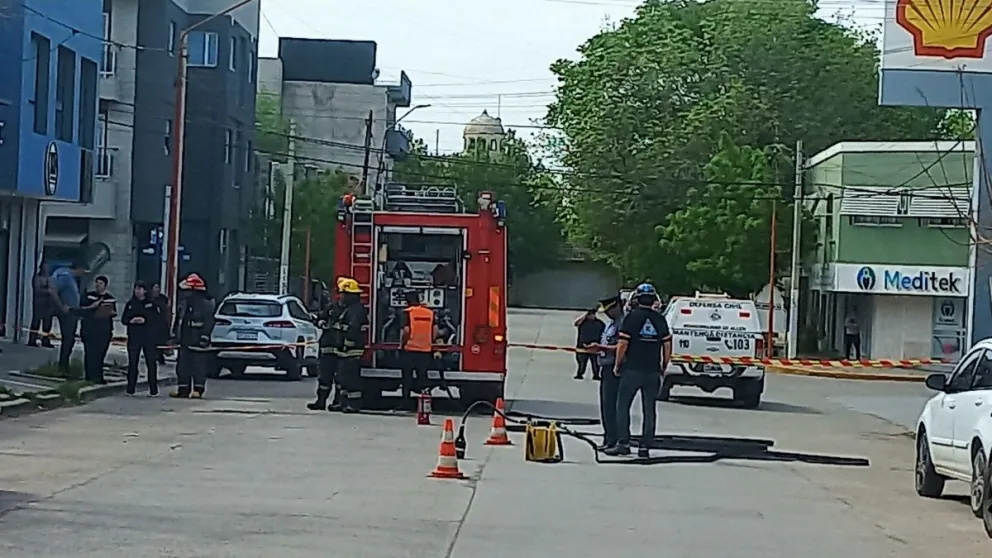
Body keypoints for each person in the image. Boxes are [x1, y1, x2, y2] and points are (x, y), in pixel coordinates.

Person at [605, 283, 672, 458]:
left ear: (637, 298)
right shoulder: (659, 319)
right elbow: (667, 344)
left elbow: (623, 344)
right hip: (652, 371)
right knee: (649, 409)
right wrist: (664, 366)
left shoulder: (631, 318)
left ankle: (623, 443)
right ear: (654, 299)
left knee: (623, 407)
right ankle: (645, 447)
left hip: (632, 370)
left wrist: (617, 364)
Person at [169, 273, 216, 399]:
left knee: (198, 367)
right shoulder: (184, 304)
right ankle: (183, 390)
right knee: (182, 367)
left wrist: (204, 337)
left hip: (197, 341)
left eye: (187, 290)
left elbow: (209, 322)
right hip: (184, 340)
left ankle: (198, 389)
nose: (185, 293)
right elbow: (179, 320)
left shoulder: (206, 305)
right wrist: (174, 336)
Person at [588, 294, 624, 451]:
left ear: (617, 306)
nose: (607, 313)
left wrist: (601, 348)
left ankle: (615, 439)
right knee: (605, 406)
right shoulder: (610, 324)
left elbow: (622, 347)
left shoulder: (622, 323)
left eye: (610, 310)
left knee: (612, 406)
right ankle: (608, 438)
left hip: (615, 369)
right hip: (605, 366)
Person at [307, 277, 348, 412]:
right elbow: (320, 318)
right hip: (327, 348)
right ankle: (321, 401)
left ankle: (338, 402)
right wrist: (321, 323)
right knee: (324, 378)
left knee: (340, 379)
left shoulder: (351, 310)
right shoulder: (332, 307)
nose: (341, 296)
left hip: (342, 350)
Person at [399, 289, 440, 410]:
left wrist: (402, 344)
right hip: (425, 350)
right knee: (423, 377)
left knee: (407, 378)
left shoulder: (407, 313)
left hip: (410, 349)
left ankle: (405, 403)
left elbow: (406, 331)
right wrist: (429, 342)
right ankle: (426, 404)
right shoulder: (429, 313)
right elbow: (436, 331)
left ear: (407, 301)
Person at [333, 278, 369, 413]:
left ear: (350, 295)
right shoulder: (350, 309)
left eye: (342, 293)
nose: (340, 296)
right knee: (342, 378)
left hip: (352, 351)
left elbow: (354, 329)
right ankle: (343, 403)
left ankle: (354, 404)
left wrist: (347, 343)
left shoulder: (356, 310)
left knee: (351, 379)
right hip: (345, 351)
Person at [122, 281, 162, 396]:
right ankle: (130, 388)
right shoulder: (130, 304)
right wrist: (131, 320)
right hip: (134, 336)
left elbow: (157, 320)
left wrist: (145, 320)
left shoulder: (151, 304)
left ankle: (153, 389)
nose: (138, 291)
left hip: (148, 337)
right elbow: (124, 319)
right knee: (132, 362)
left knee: (151, 362)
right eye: (136, 289)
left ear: (145, 291)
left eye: (140, 289)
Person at [80, 276, 118, 384]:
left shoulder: (110, 298)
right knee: (89, 353)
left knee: (100, 354)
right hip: (89, 329)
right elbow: (82, 309)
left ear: (105, 285)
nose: (98, 285)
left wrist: (110, 312)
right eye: (97, 283)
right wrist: (93, 306)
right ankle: (89, 376)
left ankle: (98, 376)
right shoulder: (89, 296)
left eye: (100, 283)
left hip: (104, 330)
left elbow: (114, 312)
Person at [51, 260, 87, 372]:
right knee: (68, 339)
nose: (83, 273)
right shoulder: (66, 276)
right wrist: (61, 306)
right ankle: (63, 365)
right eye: (83, 270)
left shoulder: (71, 277)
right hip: (68, 312)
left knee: (70, 339)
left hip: (73, 312)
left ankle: (65, 364)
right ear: (79, 268)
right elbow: (53, 291)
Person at [28, 262, 55, 348]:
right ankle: (32, 340)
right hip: (39, 303)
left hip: (48, 303)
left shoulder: (50, 277)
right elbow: (37, 290)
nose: (47, 269)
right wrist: (48, 291)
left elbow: (53, 288)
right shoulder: (37, 278)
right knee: (36, 321)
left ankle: (45, 340)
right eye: (45, 267)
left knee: (47, 323)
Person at [572, 308, 605, 380]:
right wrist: (584, 316)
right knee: (581, 362)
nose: (591, 316)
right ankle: (580, 374)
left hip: (595, 346)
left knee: (595, 363)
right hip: (582, 346)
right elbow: (576, 323)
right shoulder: (582, 322)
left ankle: (596, 375)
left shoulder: (599, 323)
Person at [150, 284, 169, 365]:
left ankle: (160, 356)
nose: (157, 289)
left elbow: (166, 309)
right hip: (152, 323)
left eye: (158, 288)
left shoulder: (163, 298)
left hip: (162, 323)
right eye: (155, 288)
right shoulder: (149, 299)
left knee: (161, 341)